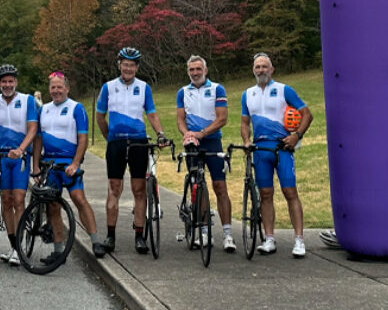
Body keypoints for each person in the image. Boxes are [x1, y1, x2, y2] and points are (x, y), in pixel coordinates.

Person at [240, 52, 313, 257]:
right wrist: (246, 141)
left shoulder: (284, 90)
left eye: (264, 66)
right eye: (257, 67)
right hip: (261, 150)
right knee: (265, 194)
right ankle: (269, 238)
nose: (261, 70)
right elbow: (245, 123)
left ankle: (299, 240)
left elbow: (307, 114)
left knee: (290, 192)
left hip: (282, 148)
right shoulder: (247, 94)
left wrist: (296, 136)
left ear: (271, 69)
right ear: (253, 70)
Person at [96, 46, 167, 255]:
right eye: (125, 64)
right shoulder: (108, 87)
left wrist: (160, 133)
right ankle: (110, 236)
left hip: (138, 142)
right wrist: (109, 136)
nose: (128, 68)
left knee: (138, 189)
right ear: (119, 65)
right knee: (114, 188)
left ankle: (139, 236)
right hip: (116, 143)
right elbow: (100, 116)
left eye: (132, 65)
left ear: (137, 67)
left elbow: (151, 113)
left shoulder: (144, 87)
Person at [33, 71, 107, 258]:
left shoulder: (77, 108)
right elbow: (38, 141)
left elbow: (83, 139)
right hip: (50, 164)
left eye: (59, 87)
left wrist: (75, 163)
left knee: (79, 199)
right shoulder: (44, 109)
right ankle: (58, 251)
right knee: (53, 207)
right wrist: (36, 166)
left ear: (67, 88)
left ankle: (96, 241)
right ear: (49, 90)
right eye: (53, 88)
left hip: (69, 163)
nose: (56, 91)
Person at [0, 63, 38, 266]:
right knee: (6, 201)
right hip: (3, 157)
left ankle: (20, 248)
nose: (7, 84)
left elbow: (33, 129)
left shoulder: (27, 100)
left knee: (19, 200)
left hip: (20, 158)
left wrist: (21, 149)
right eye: (4, 81)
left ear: (16, 82)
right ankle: (14, 245)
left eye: (11, 81)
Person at [176, 55, 236, 252]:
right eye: (191, 70)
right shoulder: (182, 92)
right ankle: (203, 231)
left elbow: (222, 118)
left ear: (205, 70)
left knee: (220, 186)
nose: (195, 73)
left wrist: (202, 133)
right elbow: (180, 119)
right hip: (193, 144)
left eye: (198, 69)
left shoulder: (217, 88)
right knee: (197, 187)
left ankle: (227, 234)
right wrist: (187, 135)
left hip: (212, 141)